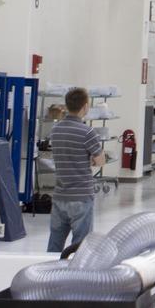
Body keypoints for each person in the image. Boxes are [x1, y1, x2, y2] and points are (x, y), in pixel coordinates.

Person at [47, 87, 106, 252]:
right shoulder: (87, 132)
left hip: (60, 195)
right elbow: (100, 160)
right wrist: (89, 160)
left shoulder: (55, 130)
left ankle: (49, 267)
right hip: (81, 196)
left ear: (67, 105)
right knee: (81, 246)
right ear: (85, 107)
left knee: (55, 243)